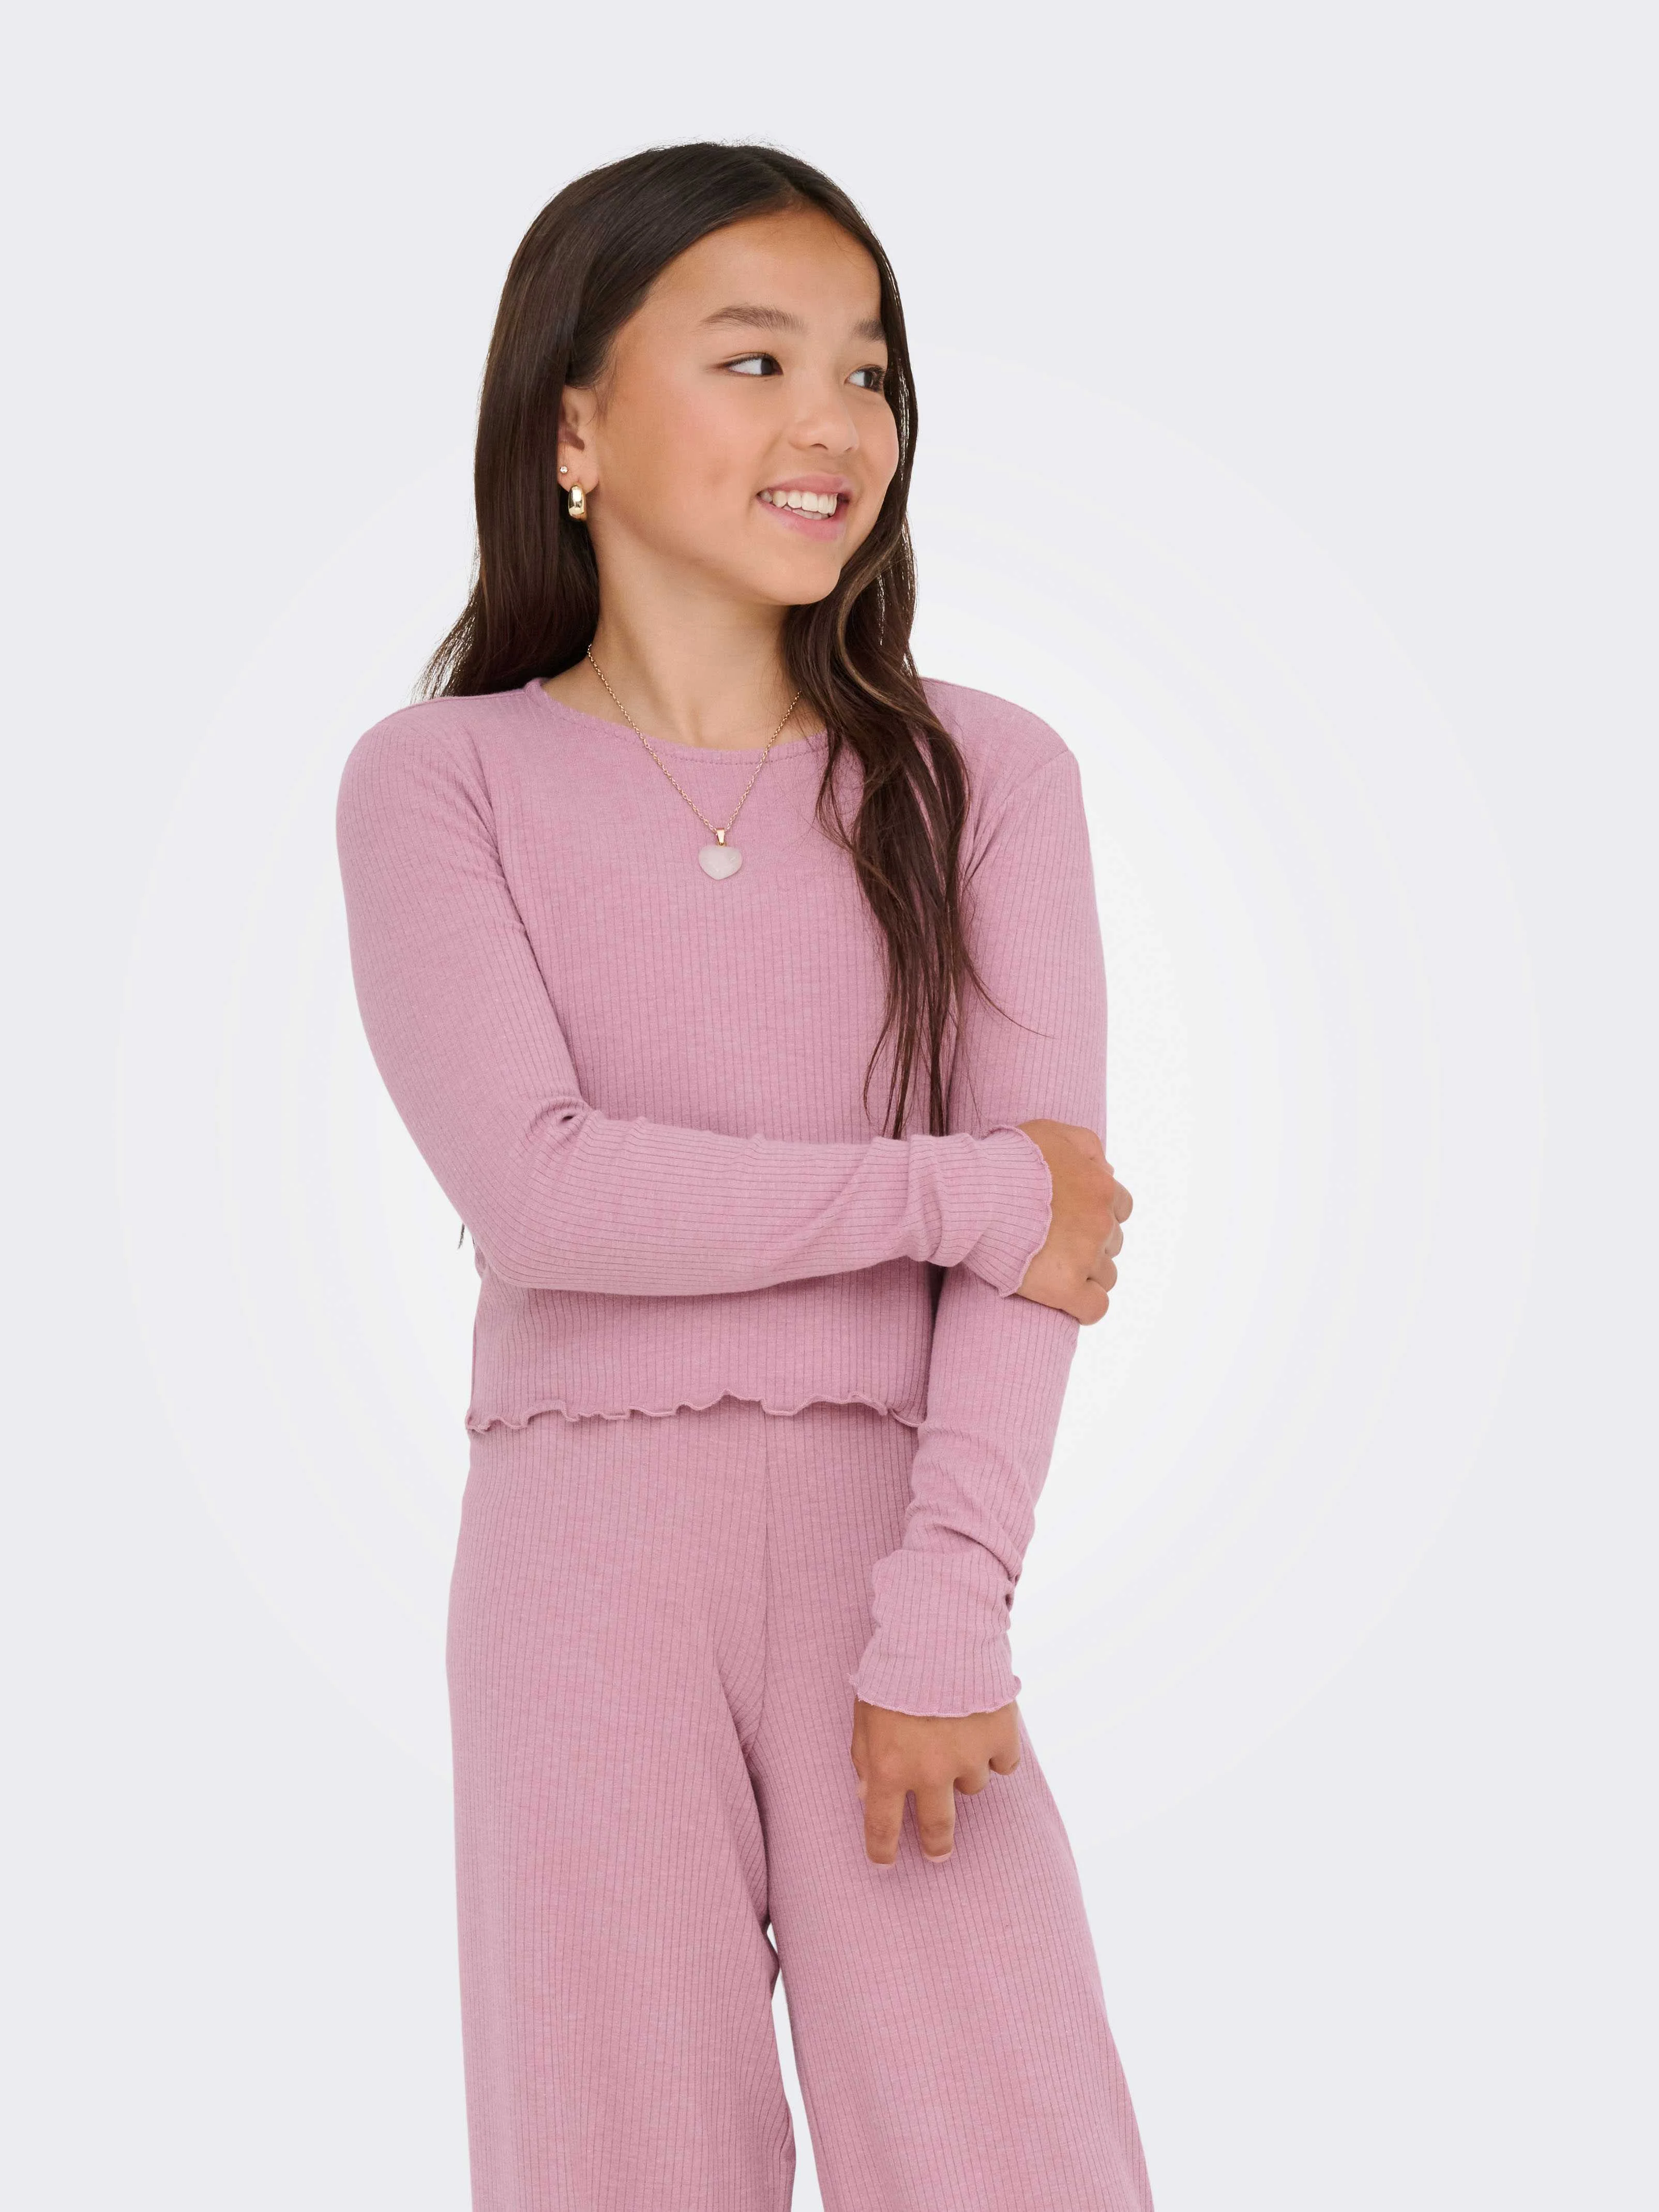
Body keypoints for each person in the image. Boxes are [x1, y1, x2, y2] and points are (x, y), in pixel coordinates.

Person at [336, 141, 1153, 2212]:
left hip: (901, 1551)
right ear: (575, 430)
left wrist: (945, 1612)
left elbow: (1050, 1253)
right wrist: (959, 1192)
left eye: (868, 371)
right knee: (615, 2161)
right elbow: (548, 1197)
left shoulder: (985, 776)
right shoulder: (441, 781)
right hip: (581, 1570)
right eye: (757, 358)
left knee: (1015, 2158)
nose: (834, 423)